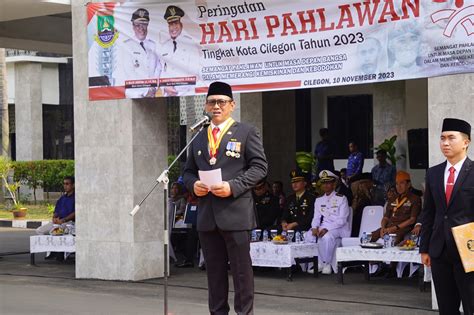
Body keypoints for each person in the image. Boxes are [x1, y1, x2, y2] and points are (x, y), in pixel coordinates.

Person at [183, 81, 267, 315]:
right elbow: (187, 171)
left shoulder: (246, 132)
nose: (216, 106)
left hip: (236, 212)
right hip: (208, 215)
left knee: (241, 273)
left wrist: (233, 186)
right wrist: (194, 185)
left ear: (232, 105)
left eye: (221, 102)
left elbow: (260, 167)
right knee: (215, 274)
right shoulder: (199, 136)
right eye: (211, 102)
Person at [420, 118, 474, 315]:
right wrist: (424, 248)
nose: (445, 143)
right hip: (439, 250)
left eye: (451, 138)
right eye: (442, 138)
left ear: (466, 142)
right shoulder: (433, 173)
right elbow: (429, 213)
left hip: (469, 251)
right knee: (447, 308)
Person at [306, 170, 351, 274]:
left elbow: (342, 220)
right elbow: (316, 217)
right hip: (324, 226)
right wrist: (314, 228)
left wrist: (327, 229)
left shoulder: (342, 198)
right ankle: (318, 263)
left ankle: (326, 264)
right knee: (309, 236)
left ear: (333, 184)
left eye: (328, 183)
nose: (325, 185)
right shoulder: (319, 200)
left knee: (327, 237)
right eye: (323, 183)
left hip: (340, 228)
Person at [114, 8, 161, 98]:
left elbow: (158, 68)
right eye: (138, 25)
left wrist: (153, 88)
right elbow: (128, 72)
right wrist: (145, 91)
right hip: (135, 93)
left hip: (152, 93)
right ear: (133, 27)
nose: (141, 28)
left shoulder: (153, 45)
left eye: (144, 24)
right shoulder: (127, 45)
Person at [370, 171, 421, 245]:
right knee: (366, 239)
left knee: (390, 243)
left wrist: (394, 228)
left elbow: (412, 220)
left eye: (402, 183)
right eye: (397, 184)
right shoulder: (392, 199)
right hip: (387, 228)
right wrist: (383, 228)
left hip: (401, 230)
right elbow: (386, 218)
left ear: (409, 184)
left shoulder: (415, 199)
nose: (398, 186)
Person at [160, 5, 200, 96]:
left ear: (181, 25)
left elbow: (195, 72)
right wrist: (164, 87)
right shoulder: (164, 46)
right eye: (171, 24)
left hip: (187, 93)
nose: (173, 27)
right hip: (168, 95)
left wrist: (179, 88)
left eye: (176, 23)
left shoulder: (190, 44)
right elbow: (161, 70)